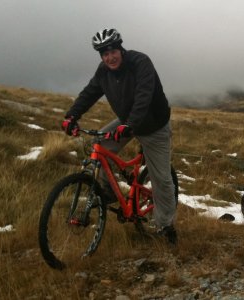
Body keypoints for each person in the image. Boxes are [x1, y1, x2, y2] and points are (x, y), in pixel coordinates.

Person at [61, 28, 177, 244]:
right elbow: (90, 93)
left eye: (113, 51)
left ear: (121, 49)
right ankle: (108, 191)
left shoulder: (140, 62)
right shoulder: (103, 71)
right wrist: (71, 116)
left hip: (153, 125)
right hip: (128, 122)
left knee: (161, 179)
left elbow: (144, 95)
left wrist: (130, 124)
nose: (109, 57)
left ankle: (166, 226)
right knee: (100, 143)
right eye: (104, 54)